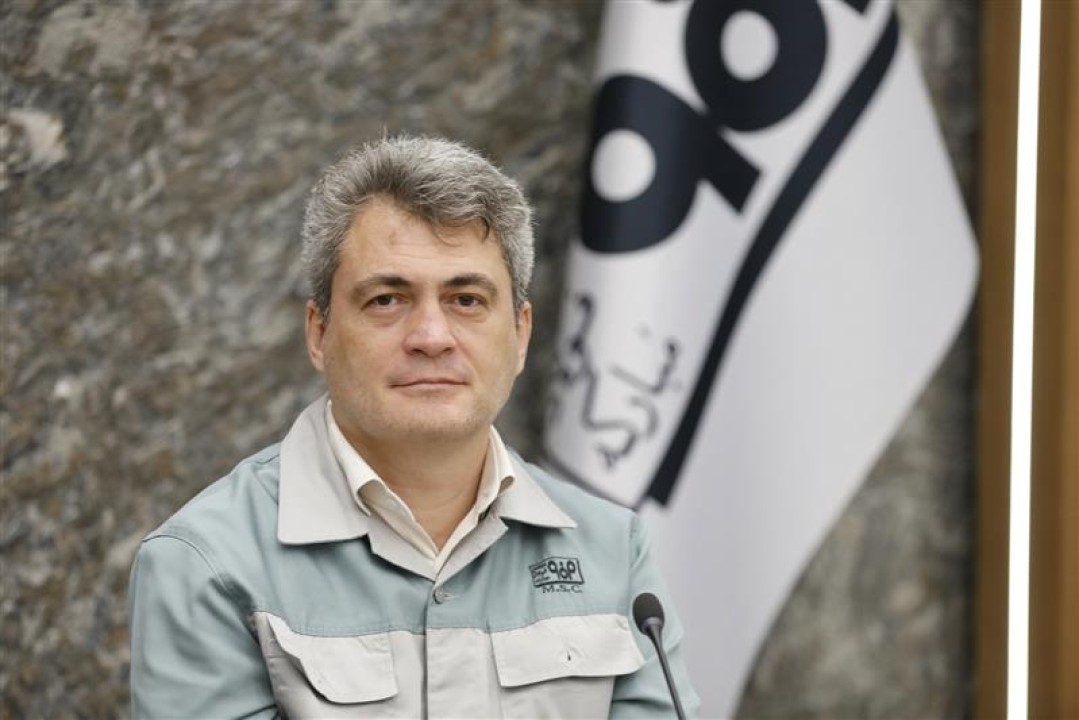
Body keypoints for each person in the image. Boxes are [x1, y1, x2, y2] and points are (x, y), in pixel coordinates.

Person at [128, 136, 698, 718]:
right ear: (319, 334)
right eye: (386, 300)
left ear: (521, 334)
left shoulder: (612, 549)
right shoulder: (208, 563)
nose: (431, 337)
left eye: (466, 300)